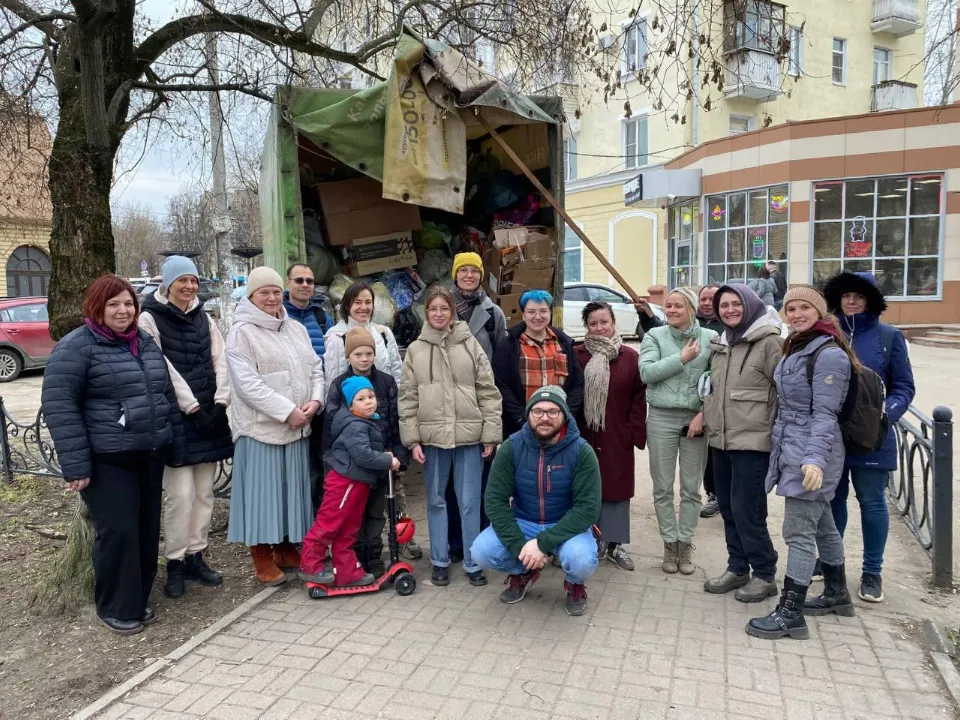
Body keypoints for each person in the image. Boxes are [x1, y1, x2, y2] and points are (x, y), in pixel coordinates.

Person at [42, 275, 182, 635]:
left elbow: (163, 393)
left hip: (148, 453)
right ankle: (114, 606)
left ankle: (137, 599)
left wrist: (172, 438)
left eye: (128, 303)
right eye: (114, 304)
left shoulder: (145, 342)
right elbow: (60, 408)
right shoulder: (76, 347)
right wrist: (75, 465)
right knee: (118, 531)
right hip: (107, 458)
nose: (123, 310)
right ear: (97, 308)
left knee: (146, 530)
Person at [747, 286, 855, 641]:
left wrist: (814, 460)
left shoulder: (828, 355)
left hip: (811, 454)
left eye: (804, 307)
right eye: (790, 308)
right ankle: (838, 594)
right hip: (793, 447)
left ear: (820, 311)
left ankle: (791, 612)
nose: (796, 313)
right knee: (823, 525)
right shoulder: (800, 345)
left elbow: (825, 415)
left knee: (799, 533)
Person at [140, 256, 233, 600]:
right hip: (178, 417)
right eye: (183, 281)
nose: (189, 287)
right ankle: (175, 562)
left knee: (205, 494)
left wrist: (220, 403)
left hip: (210, 414)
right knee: (180, 496)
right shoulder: (149, 318)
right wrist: (191, 406)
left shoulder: (203, 317)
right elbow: (160, 366)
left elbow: (220, 359)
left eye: (193, 281)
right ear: (168, 283)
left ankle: (197, 555)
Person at [225, 266, 325, 586]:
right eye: (263, 292)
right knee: (261, 495)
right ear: (251, 296)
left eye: (274, 291)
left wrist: (315, 401)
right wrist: (286, 411)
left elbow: (315, 368)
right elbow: (248, 386)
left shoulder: (293, 328)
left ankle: (284, 547)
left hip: (297, 425)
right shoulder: (242, 332)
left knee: (288, 493)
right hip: (260, 429)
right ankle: (261, 555)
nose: (271, 298)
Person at [398, 285, 502, 587]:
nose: (439, 314)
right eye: (433, 309)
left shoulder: (469, 344)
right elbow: (408, 397)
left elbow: (487, 390)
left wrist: (490, 434)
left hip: (469, 435)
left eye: (445, 308)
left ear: (452, 312)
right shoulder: (416, 350)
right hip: (432, 438)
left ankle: (473, 561)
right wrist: (412, 440)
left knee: (470, 501)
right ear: (426, 313)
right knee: (435, 499)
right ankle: (440, 560)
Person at [822, 271, 915, 603]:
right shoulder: (828, 333)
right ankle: (832, 561)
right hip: (834, 434)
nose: (851, 301)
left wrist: (886, 414)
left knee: (872, 502)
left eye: (858, 296)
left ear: (870, 300)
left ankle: (872, 571)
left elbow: (904, 387)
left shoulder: (888, 336)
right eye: (846, 296)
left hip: (872, 436)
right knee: (833, 501)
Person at [471, 386, 601, 616]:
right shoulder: (512, 447)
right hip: (524, 521)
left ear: (565, 415)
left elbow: (587, 508)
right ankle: (524, 571)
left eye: (553, 412)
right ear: (529, 414)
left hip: (566, 525)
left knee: (581, 560)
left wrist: (542, 543)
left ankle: (575, 584)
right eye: (538, 411)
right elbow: (494, 500)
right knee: (480, 551)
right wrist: (521, 547)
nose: (545, 418)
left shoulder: (582, 451)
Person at [324, 281, 420, 559]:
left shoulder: (384, 333)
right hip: (354, 427)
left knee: (392, 493)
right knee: (359, 499)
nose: (363, 307)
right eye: (357, 302)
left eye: (368, 302)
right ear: (346, 305)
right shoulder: (335, 336)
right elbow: (333, 384)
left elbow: (397, 376)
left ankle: (401, 539)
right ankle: (357, 551)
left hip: (383, 418)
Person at [701, 284, 781, 602]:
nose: (730, 310)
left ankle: (764, 573)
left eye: (736, 304)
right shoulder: (723, 344)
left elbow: (784, 393)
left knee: (749, 511)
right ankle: (738, 567)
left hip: (753, 443)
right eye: (724, 305)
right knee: (730, 510)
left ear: (749, 306)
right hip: (721, 440)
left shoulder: (770, 343)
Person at [639, 287, 716, 576]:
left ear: (692, 310)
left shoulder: (711, 339)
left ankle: (685, 544)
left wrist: (703, 415)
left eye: (678, 306)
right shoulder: (654, 336)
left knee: (691, 488)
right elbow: (646, 372)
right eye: (668, 306)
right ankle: (669, 544)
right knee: (661, 486)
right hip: (661, 418)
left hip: (696, 421)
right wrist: (681, 358)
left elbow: (716, 382)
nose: (671, 310)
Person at [299, 376, 400, 587]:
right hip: (345, 483)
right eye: (361, 399)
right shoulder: (355, 425)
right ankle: (311, 565)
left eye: (371, 396)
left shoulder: (366, 421)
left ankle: (347, 571)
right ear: (350, 404)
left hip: (357, 484)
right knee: (330, 523)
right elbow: (362, 455)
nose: (369, 401)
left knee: (349, 528)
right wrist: (387, 460)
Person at [323, 327, 407, 578]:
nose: (364, 358)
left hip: (381, 461)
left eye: (369, 353)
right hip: (352, 466)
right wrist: (331, 463)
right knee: (352, 513)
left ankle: (374, 554)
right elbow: (331, 429)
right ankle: (354, 555)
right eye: (358, 353)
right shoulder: (340, 386)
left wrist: (399, 457)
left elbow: (394, 420)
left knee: (375, 512)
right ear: (348, 356)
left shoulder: (386, 382)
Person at [573, 301, 646, 571]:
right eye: (593, 323)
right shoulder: (577, 354)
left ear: (613, 322)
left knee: (616, 489)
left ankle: (615, 544)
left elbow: (639, 398)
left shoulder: (629, 357)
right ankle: (590, 540)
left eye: (604, 322)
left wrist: (631, 433)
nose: (600, 327)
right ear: (587, 327)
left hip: (616, 433)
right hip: (584, 434)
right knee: (585, 488)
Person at [446, 252, 508, 564]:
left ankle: (482, 539)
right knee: (449, 480)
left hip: (479, 404)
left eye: (474, 271)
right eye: (463, 271)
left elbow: (500, 360)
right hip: (446, 407)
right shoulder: (441, 309)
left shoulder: (492, 312)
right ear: (454, 274)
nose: (469, 276)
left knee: (482, 478)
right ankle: (455, 542)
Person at [492, 289, 584, 438]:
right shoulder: (509, 346)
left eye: (543, 311)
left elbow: (578, 382)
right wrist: (522, 419)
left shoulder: (564, 343)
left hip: (559, 427)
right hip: (521, 428)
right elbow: (501, 385)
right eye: (531, 312)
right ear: (523, 314)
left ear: (550, 313)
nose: (537, 317)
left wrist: (566, 414)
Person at [283, 263, 332, 511]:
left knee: (318, 467)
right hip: (289, 406)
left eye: (309, 281)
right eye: (299, 280)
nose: (304, 285)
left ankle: (317, 524)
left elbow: (332, 358)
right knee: (293, 470)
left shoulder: (323, 317)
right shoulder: (278, 315)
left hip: (319, 403)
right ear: (287, 283)